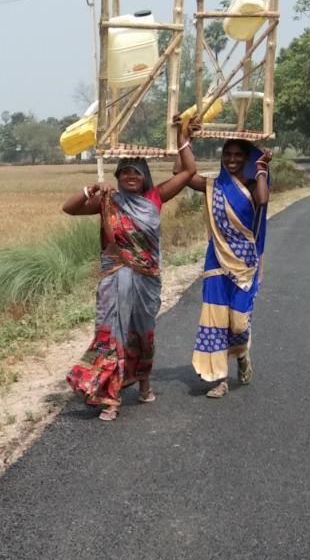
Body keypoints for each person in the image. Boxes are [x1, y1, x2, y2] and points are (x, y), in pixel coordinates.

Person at [62, 136, 197, 421]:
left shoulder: (154, 198)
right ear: (117, 176)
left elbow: (187, 172)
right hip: (114, 280)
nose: (130, 176)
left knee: (142, 335)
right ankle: (110, 398)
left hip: (146, 281)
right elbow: (69, 208)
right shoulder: (108, 201)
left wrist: (183, 139)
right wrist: (90, 189)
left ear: (145, 176)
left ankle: (144, 385)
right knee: (110, 336)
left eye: (136, 171)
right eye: (124, 172)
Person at [179, 126, 272, 398]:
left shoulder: (254, 186)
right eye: (227, 154)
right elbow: (183, 175)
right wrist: (183, 140)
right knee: (216, 321)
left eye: (237, 155)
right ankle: (220, 379)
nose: (231, 159)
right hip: (216, 262)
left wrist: (262, 168)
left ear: (246, 158)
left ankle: (242, 354)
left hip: (245, 264)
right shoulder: (212, 186)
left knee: (239, 324)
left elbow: (264, 200)